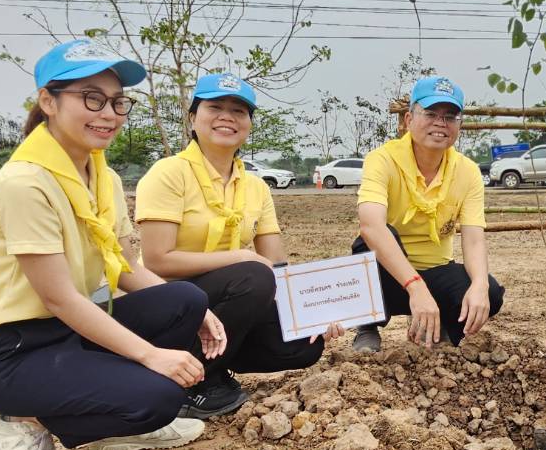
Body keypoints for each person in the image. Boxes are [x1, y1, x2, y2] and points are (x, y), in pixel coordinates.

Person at [0, 40, 225, 450]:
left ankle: (110, 430)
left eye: (119, 102)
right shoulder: (26, 183)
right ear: (48, 102)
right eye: (92, 98)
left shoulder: (103, 175)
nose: (109, 114)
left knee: (185, 298)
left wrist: (201, 311)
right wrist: (150, 355)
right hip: (11, 351)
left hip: (68, 333)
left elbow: (119, 265)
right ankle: (18, 420)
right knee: (158, 397)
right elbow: (58, 297)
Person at [136, 72, 340, 419]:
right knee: (251, 276)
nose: (227, 117)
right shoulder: (169, 173)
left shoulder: (256, 187)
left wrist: (314, 311)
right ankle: (189, 382)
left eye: (239, 111)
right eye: (215, 107)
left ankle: (214, 368)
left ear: (248, 124)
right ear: (192, 118)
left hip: (223, 301)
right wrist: (243, 257)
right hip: (166, 302)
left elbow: (276, 262)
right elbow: (156, 261)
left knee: (303, 346)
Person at [352, 76, 504, 350]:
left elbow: (473, 238)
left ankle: (444, 326)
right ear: (409, 120)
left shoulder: (467, 171)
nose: (440, 123)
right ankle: (368, 324)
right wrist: (414, 286)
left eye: (450, 117)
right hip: (387, 277)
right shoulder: (382, 160)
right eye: (431, 113)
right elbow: (370, 226)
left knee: (490, 292)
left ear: (459, 125)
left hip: (435, 271)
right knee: (369, 242)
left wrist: (480, 284)